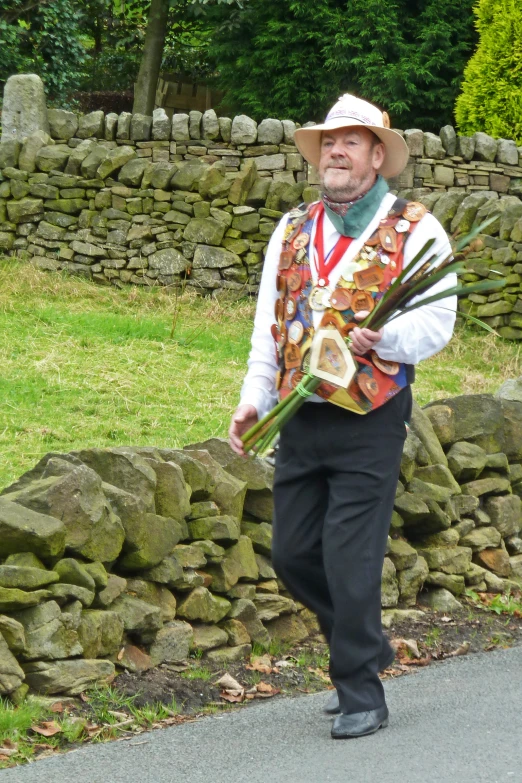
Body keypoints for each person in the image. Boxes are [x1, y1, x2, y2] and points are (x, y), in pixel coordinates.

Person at [228, 94, 456, 739]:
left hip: (370, 419)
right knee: (295, 555)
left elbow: (438, 320)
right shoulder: (292, 228)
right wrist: (255, 398)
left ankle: (361, 690)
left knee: (350, 560)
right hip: (301, 419)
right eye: (328, 142)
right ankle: (370, 645)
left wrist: (384, 340)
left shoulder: (417, 229)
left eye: (350, 142)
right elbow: (267, 329)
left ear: (377, 156)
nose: (334, 150)